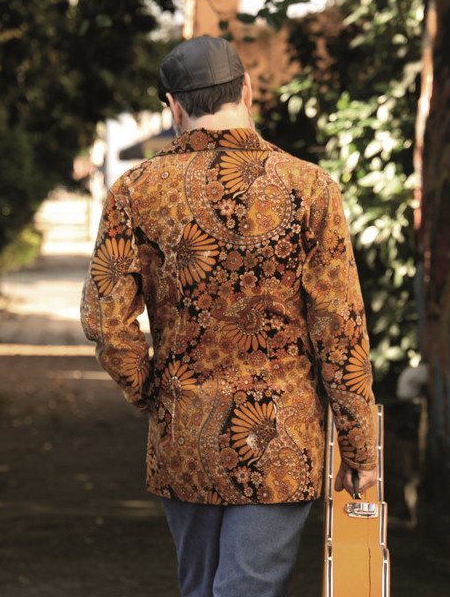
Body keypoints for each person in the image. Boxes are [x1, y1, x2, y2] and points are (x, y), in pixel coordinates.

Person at [80, 35, 378, 597]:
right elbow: (341, 329)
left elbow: (105, 320)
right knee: (249, 588)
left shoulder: (134, 191)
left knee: (199, 587)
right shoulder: (311, 189)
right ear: (247, 89)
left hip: (184, 433)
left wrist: (153, 394)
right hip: (281, 438)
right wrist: (360, 447)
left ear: (174, 107)